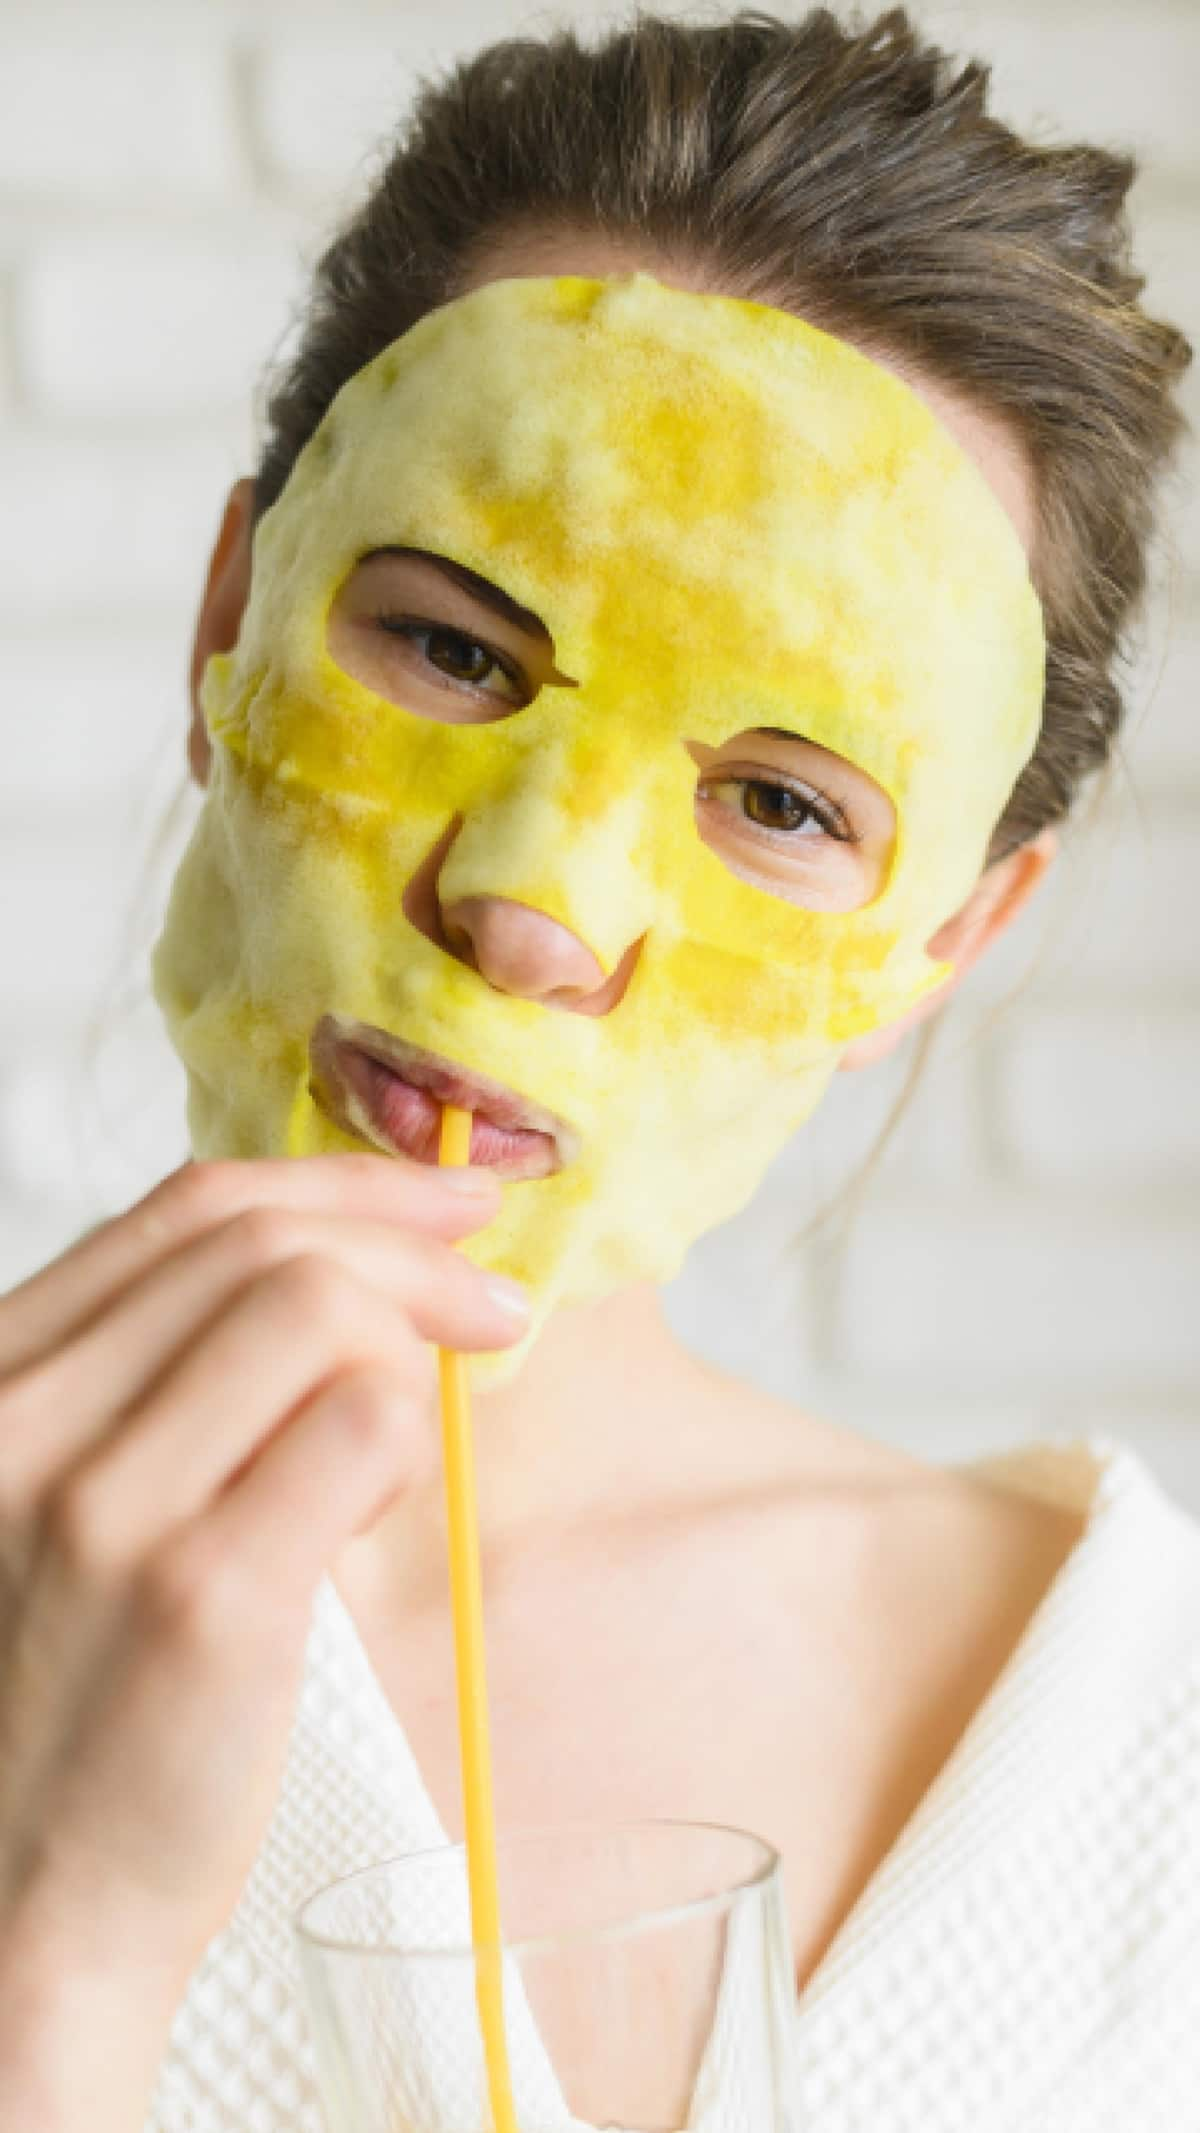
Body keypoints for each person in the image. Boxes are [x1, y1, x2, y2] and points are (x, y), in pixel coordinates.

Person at [0, 9, 1195, 2131]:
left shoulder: (1139, 1744)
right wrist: (57, 1948)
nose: (537, 906)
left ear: (946, 942)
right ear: (230, 620)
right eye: (454, 647)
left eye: (786, 803)